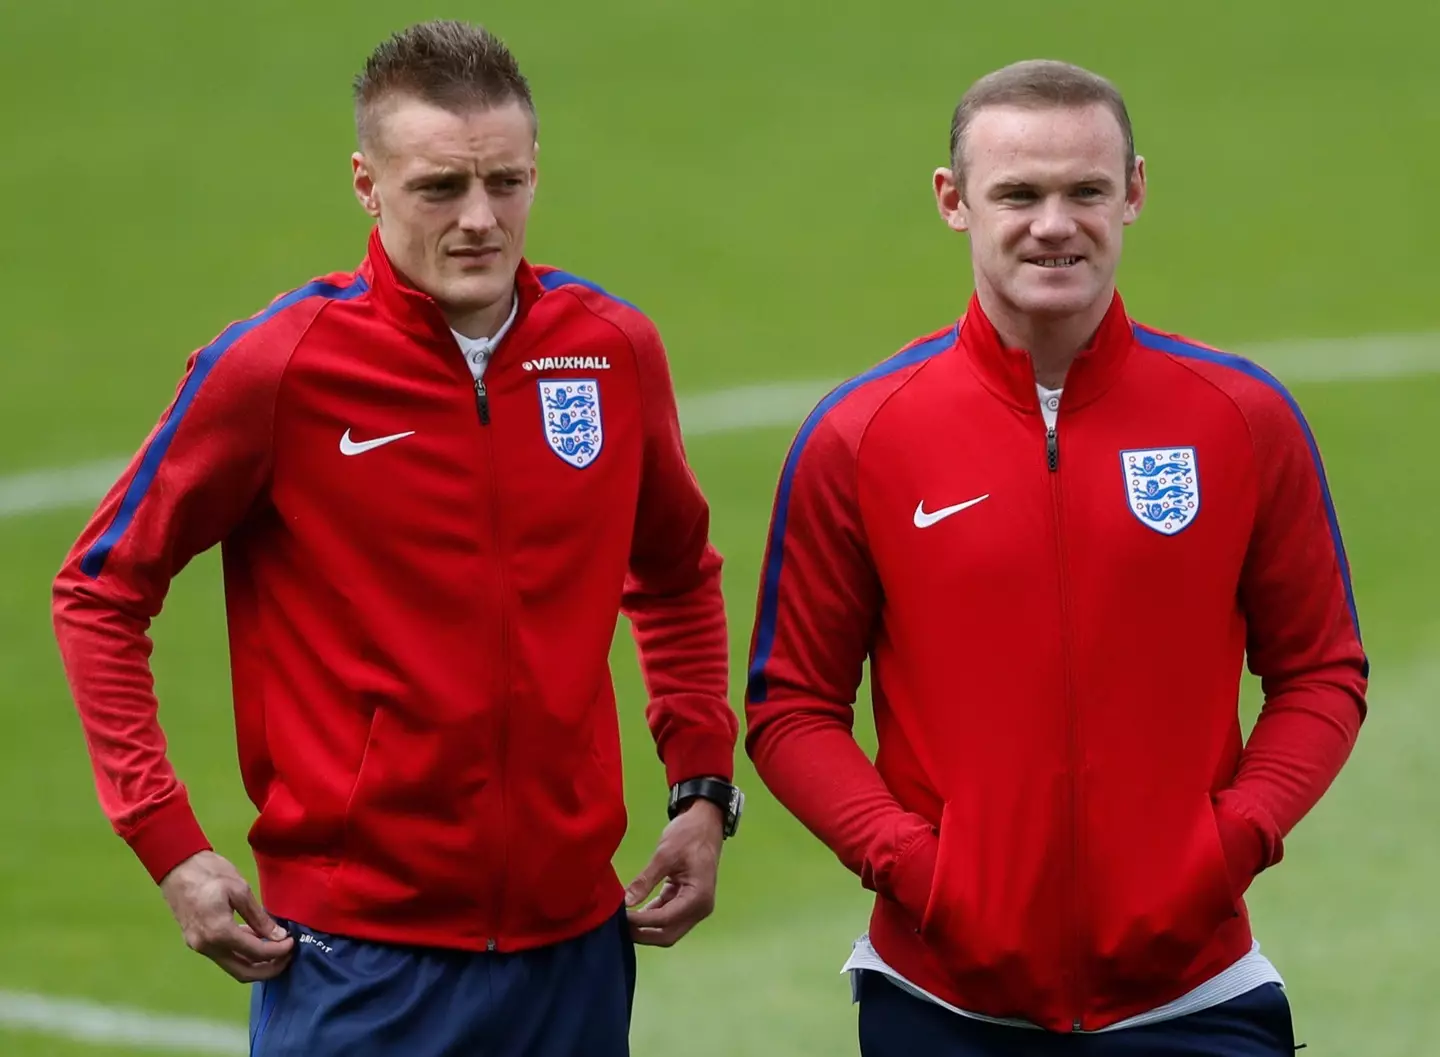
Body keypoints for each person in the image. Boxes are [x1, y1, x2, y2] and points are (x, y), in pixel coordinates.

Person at [51, 19, 744, 1057]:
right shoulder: (277, 369)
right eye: (439, 189)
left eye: (505, 182)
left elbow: (677, 571)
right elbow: (101, 591)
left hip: (575, 948)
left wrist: (699, 784)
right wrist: (168, 842)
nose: (480, 220)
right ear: (367, 186)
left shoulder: (609, 351)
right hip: (354, 957)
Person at [744, 59, 1366, 1056]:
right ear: (954, 201)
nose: (1054, 224)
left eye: (1085, 190)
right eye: (1018, 194)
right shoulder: (862, 435)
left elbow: (1323, 670)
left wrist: (1231, 841)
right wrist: (913, 863)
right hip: (941, 1003)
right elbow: (790, 707)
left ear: (1134, 191)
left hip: (1196, 1001)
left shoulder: (1242, 420)